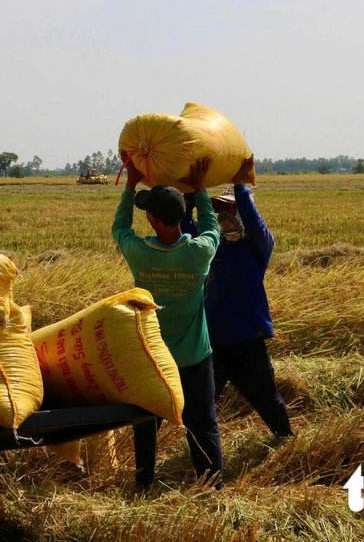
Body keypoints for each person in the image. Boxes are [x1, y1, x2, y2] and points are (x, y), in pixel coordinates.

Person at [113, 154, 224, 488]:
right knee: (202, 425)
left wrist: (131, 181)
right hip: (193, 358)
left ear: (151, 219)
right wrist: (201, 188)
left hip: (151, 357)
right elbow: (212, 227)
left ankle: (144, 484)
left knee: (147, 423)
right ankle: (212, 487)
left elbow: (120, 228)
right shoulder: (199, 253)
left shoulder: (140, 253)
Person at [184, 156, 293, 439]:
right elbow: (188, 229)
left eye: (230, 210)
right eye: (222, 211)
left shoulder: (258, 246)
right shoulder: (214, 244)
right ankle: (203, 453)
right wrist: (192, 197)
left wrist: (239, 185)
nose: (224, 217)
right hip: (213, 341)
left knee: (266, 399)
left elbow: (254, 222)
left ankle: (285, 440)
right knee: (203, 404)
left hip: (247, 341)